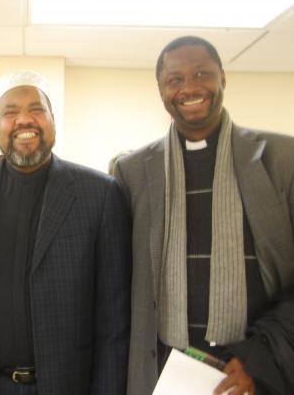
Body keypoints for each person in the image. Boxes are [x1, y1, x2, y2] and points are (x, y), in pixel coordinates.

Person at [113, 36, 294, 395]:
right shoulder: (131, 171)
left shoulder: (283, 160)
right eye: (175, 79)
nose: (190, 87)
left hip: (256, 370)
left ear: (223, 78)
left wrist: (258, 358)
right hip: (164, 371)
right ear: (162, 90)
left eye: (201, 73)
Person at [0, 70, 132, 394]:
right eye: (10, 112)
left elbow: (115, 318)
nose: (24, 120)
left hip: (65, 386)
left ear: (53, 118)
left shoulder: (100, 194)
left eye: (36, 109)